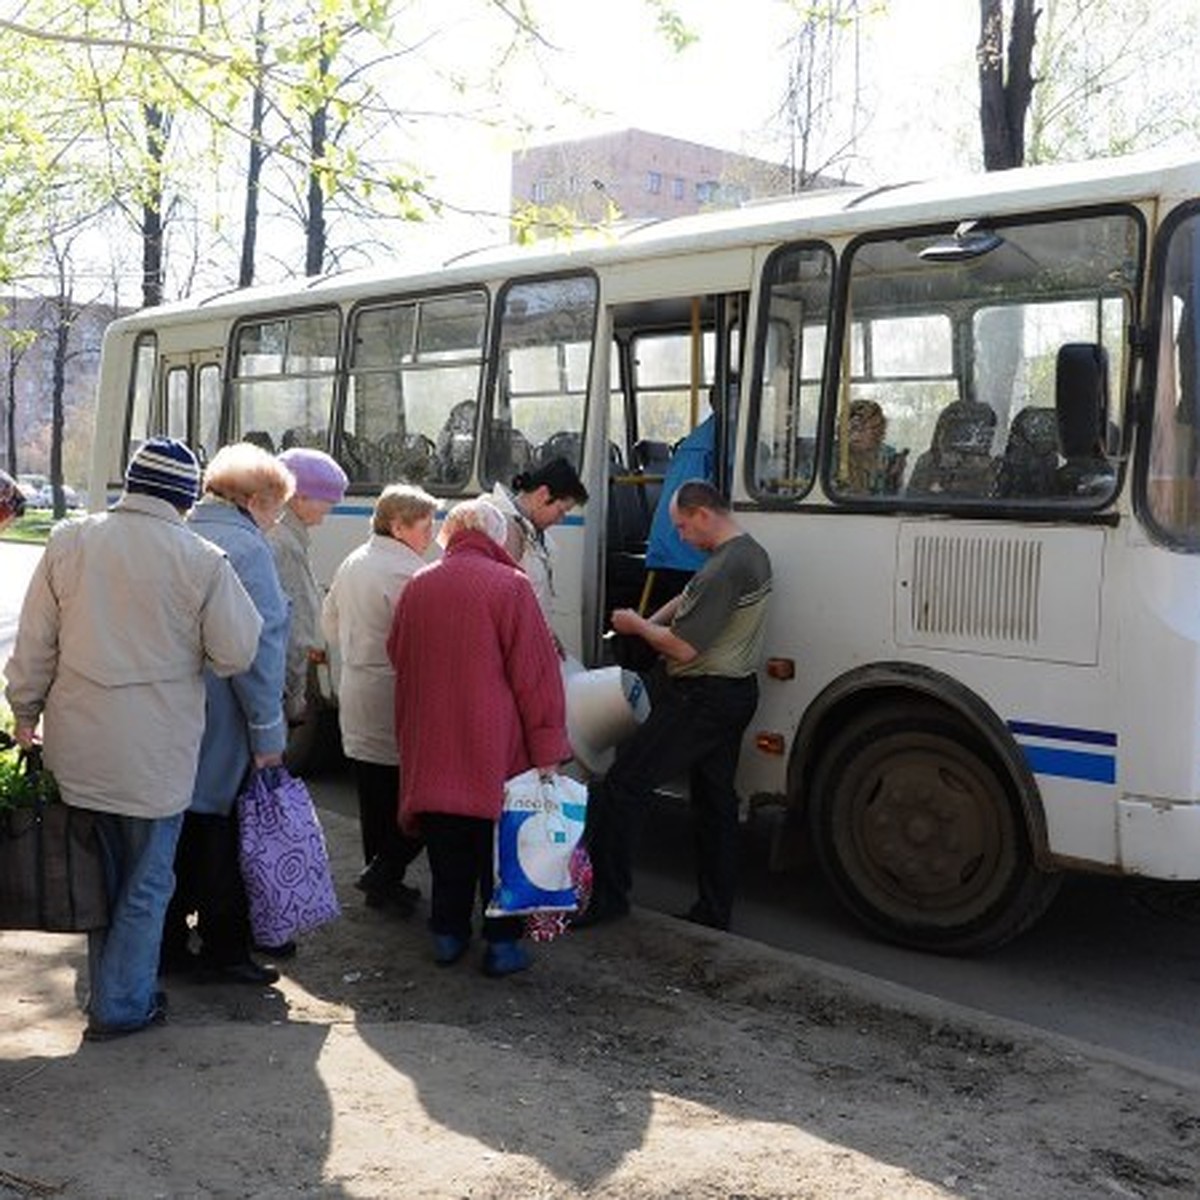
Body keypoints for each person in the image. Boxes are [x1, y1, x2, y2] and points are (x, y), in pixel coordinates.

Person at [4, 438, 262, 1040]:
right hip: (157, 754)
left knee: (98, 880)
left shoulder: (70, 541)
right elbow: (237, 650)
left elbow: (35, 642)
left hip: (79, 746)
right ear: (183, 494)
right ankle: (122, 1004)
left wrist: (24, 711)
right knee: (148, 883)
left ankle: (114, 993)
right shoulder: (202, 558)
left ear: (131, 484)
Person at [386, 497, 570, 978]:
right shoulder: (510, 586)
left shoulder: (419, 585)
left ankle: (447, 935)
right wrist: (549, 749)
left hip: (434, 746)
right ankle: (501, 946)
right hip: (495, 752)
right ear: (495, 537)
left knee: (448, 850)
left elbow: (396, 652)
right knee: (499, 855)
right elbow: (536, 678)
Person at [581, 479, 773, 933]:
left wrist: (635, 626)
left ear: (704, 514)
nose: (682, 537)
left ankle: (607, 899)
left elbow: (684, 649)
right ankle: (714, 909)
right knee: (715, 804)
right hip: (735, 693)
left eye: (683, 527)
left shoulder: (726, 568)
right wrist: (649, 620)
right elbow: (690, 597)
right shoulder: (746, 554)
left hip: (701, 697)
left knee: (625, 784)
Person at [161, 442, 294, 985]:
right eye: (277, 506)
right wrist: (268, 730)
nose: (276, 518)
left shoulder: (178, 532)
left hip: (174, 710)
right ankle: (225, 947)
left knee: (176, 832)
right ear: (256, 499)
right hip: (228, 715)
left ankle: (168, 941)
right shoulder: (247, 548)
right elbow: (260, 650)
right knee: (224, 833)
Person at [322, 484, 438, 912]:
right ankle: (385, 870)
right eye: (425, 527)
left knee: (373, 796)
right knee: (413, 798)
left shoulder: (354, 561)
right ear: (398, 526)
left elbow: (329, 624)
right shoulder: (407, 574)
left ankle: (381, 879)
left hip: (356, 687)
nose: (431, 536)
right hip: (394, 692)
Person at [269, 447, 349, 726]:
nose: (331, 507)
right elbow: (296, 630)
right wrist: (294, 699)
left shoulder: (279, 536)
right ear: (298, 498)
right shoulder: (286, 546)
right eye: (326, 498)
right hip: (276, 688)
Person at [488, 457, 589, 628]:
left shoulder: (534, 531)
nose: (560, 520)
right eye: (560, 511)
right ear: (543, 494)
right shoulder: (502, 528)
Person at [840, 399, 907, 495]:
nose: (854, 435)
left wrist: (893, 479)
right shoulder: (829, 456)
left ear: (879, 430)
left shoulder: (889, 457)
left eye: (860, 428)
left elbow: (894, 498)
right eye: (849, 428)